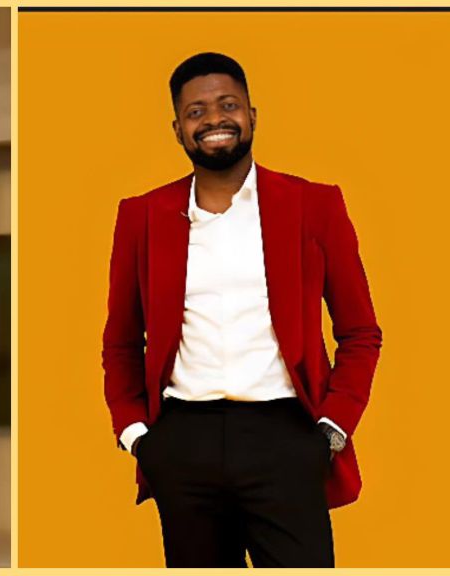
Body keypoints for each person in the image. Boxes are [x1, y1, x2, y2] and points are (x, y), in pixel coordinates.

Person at [102, 52, 382, 567]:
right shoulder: (142, 216)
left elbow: (361, 331)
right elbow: (121, 340)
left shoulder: (314, 206)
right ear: (178, 130)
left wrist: (333, 429)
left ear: (252, 115)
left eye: (228, 105)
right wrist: (136, 434)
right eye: (196, 111)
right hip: (182, 441)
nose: (214, 119)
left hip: (287, 436)